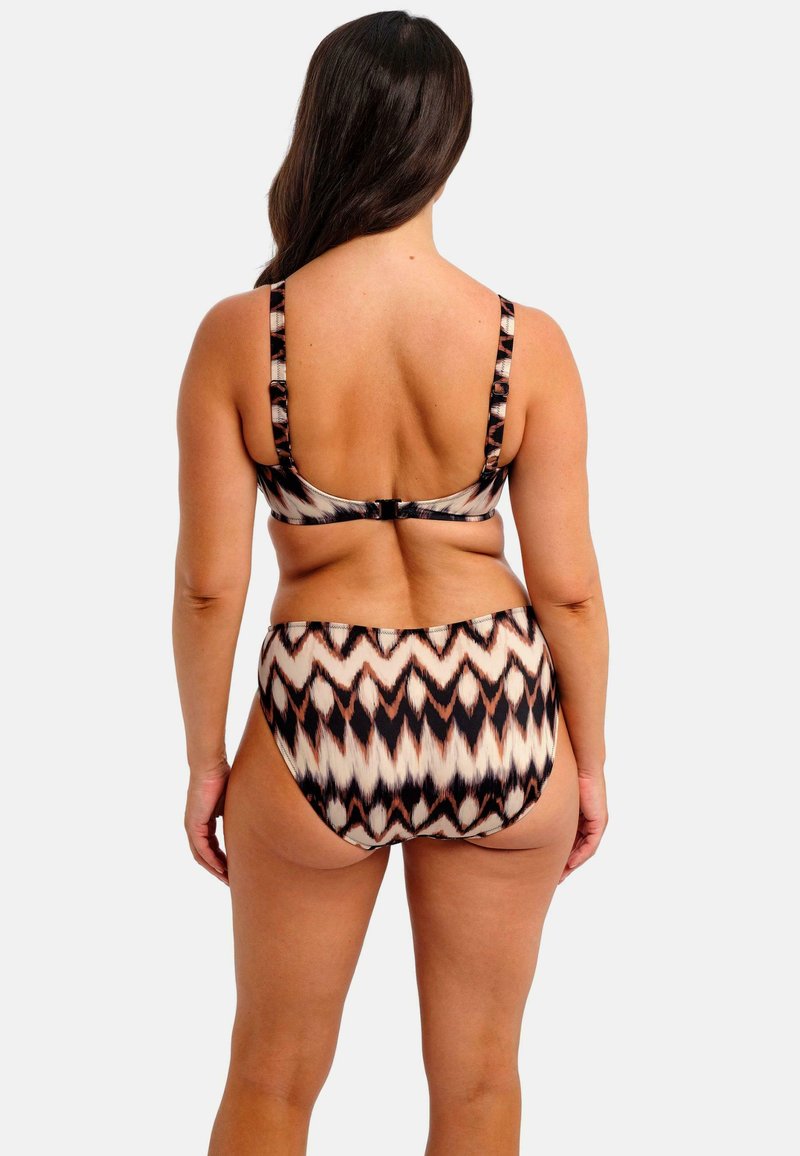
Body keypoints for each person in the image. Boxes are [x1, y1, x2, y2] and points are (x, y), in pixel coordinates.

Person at [173, 11, 609, 1155]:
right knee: (478, 1084)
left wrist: (207, 761)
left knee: (271, 1077)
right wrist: (587, 757)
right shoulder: (524, 340)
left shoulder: (243, 335)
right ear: (447, 140)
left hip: (323, 701)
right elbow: (567, 588)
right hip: (498, 704)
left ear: (320, 129)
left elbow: (211, 585)